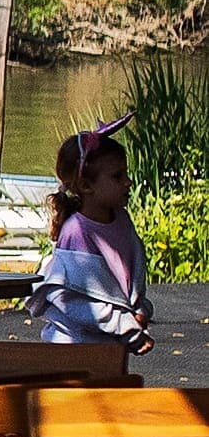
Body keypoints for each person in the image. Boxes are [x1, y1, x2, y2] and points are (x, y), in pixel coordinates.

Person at [29, 127, 155, 346]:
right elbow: (74, 301)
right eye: (117, 176)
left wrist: (139, 309)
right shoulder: (77, 232)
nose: (128, 182)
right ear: (86, 186)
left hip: (110, 342)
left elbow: (127, 281)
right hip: (75, 346)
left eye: (126, 173)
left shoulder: (121, 220)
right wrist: (125, 327)